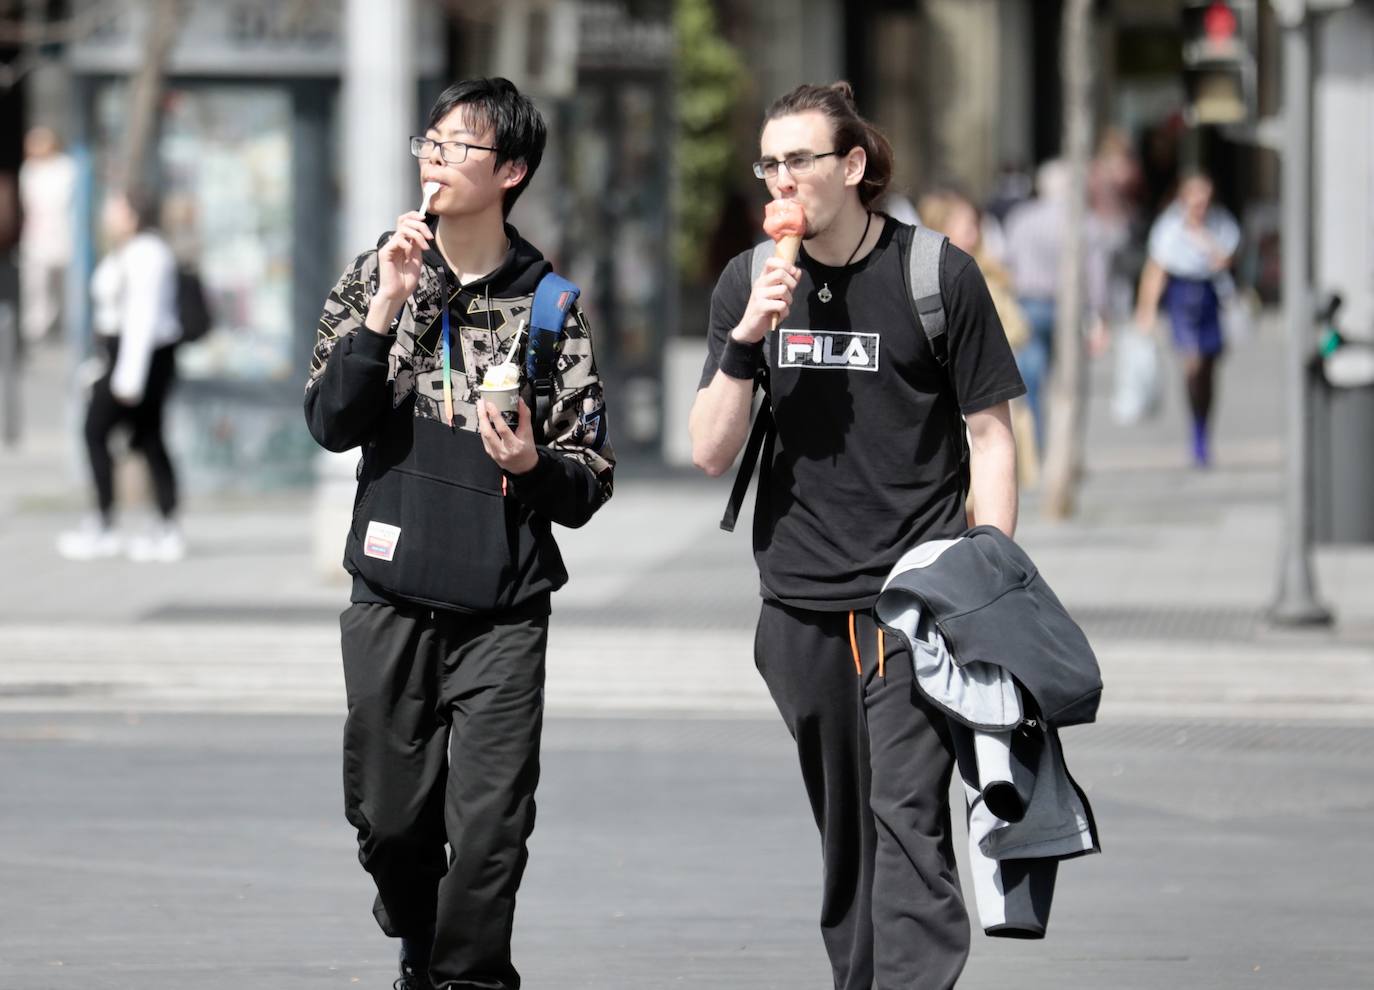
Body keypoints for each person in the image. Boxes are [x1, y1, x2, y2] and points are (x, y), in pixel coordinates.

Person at [688, 82, 1024, 990]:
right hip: (797, 606)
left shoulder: (935, 275)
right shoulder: (748, 282)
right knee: (849, 839)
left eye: (800, 158)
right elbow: (709, 450)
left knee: (907, 819)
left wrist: (987, 582)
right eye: (770, 162)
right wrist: (748, 336)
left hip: (913, 603)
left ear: (853, 166)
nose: (782, 177)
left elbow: (990, 438)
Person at [303, 78, 614, 990]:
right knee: (391, 821)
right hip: (392, 593)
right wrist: (385, 309)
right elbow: (329, 421)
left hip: (503, 607)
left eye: (459, 146)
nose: (436, 159)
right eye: (429, 143)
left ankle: (467, 976)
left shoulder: (552, 305)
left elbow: (588, 475)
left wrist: (529, 465)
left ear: (511, 170)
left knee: (490, 829)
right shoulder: (378, 273)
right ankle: (416, 930)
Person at [56, 190, 184, 563]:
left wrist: (128, 379)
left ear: (132, 214)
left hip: (139, 360)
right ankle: (149, 523)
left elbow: (141, 320)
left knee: (104, 432)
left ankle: (116, 523)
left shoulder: (148, 254)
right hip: (119, 356)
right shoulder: (125, 251)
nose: (108, 216)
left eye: (115, 209)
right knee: (145, 438)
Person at [918, 187, 1038, 487]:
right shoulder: (931, 281)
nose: (974, 233)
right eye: (966, 226)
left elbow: (1017, 328)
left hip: (991, 389)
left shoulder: (987, 272)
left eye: (975, 225)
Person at [1133, 170, 1240, 467]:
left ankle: (1204, 427)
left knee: (1208, 368)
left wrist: (1203, 237)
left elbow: (1226, 260)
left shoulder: (1220, 225)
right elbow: (1157, 270)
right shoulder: (1168, 228)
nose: (1200, 205)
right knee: (1192, 365)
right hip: (1182, 295)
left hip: (1209, 295)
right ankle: (1196, 435)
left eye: (1205, 199)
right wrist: (1147, 310)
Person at [18, 126, 76, 345]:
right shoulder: (29, 169)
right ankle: (37, 329)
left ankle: (65, 325)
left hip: (63, 234)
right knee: (37, 286)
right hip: (37, 236)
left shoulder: (66, 167)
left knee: (64, 286)